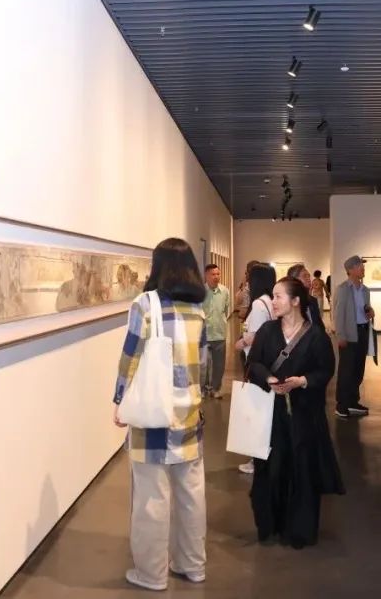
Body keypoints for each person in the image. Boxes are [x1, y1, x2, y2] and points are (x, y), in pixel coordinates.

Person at [112, 238, 208, 591]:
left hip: (153, 413)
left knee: (152, 497)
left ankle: (152, 574)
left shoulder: (145, 304)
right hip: (189, 412)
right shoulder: (198, 309)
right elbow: (202, 361)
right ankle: (192, 564)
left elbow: (130, 356)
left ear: (158, 266)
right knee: (191, 493)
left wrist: (119, 399)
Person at [246, 276, 345, 548]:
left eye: (278, 296)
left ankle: (299, 530)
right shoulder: (267, 331)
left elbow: (325, 370)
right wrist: (269, 379)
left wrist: (302, 381)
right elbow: (253, 364)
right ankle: (271, 524)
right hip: (271, 414)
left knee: (302, 469)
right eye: (273, 296)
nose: (273, 301)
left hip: (304, 416)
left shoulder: (316, 336)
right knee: (271, 468)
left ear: (296, 301)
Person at [235, 263, 277, 474]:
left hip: (258, 364)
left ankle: (257, 460)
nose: (247, 282)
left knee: (258, 412)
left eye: (249, 277)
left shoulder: (260, 305)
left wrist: (242, 342)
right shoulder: (269, 301)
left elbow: (257, 336)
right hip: (265, 364)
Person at [332, 255, 374, 419]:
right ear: (350, 270)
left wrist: (370, 312)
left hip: (363, 331)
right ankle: (341, 404)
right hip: (349, 333)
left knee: (358, 369)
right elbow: (338, 314)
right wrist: (340, 335)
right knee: (346, 371)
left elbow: (366, 309)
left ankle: (352, 401)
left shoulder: (365, 290)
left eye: (362, 265)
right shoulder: (343, 289)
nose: (362, 268)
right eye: (358, 266)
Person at [201, 263, 231, 399]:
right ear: (206, 276)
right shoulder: (200, 292)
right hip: (204, 334)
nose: (216, 276)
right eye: (213, 274)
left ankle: (215, 388)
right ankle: (204, 388)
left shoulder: (225, 291)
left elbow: (226, 310)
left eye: (218, 274)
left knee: (219, 365)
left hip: (219, 333)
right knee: (204, 364)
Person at [287, 264, 327, 333]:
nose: (309, 279)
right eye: (304, 276)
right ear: (294, 280)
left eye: (309, 276)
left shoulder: (313, 300)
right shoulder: (288, 303)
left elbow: (319, 324)